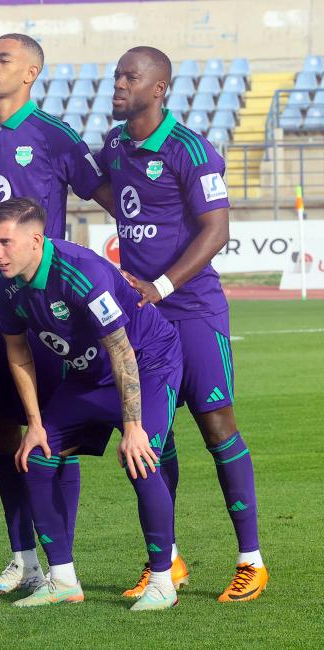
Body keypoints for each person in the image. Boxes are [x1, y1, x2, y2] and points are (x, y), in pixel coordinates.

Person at [0, 33, 111, 593]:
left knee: (54, 437)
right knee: (6, 437)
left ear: (30, 72)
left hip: (49, 317)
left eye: (3, 59)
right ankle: (25, 560)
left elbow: (106, 195)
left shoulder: (54, 135)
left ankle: (61, 563)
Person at [99, 46, 267, 602]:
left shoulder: (192, 150)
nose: (119, 84)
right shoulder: (115, 147)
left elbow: (217, 230)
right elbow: (118, 199)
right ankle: (166, 560)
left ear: (159, 89)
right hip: (144, 318)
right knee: (150, 436)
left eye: (130, 77)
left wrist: (162, 287)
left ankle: (251, 560)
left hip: (191, 310)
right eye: (117, 75)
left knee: (217, 429)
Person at [0, 197, 182, 611]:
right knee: (37, 457)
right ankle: (62, 580)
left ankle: (163, 581)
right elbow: (18, 352)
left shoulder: (81, 271)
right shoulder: (2, 283)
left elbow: (122, 350)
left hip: (147, 363)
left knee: (142, 459)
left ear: (35, 240)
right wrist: (35, 424)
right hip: (87, 375)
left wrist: (133, 427)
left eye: (5, 243)